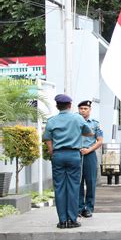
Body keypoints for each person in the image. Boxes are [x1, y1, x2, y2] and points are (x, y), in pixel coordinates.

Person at [43, 94, 93, 229]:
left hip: (58, 155)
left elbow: (48, 139)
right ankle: (72, 219)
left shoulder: (52, 121)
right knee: (73, 187)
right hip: (73, 155)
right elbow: (89, 133)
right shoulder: (78, 118)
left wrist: (53, 153)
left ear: (57, 106)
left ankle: (62, 221)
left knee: (59, 187)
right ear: (70, 106)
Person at [77, 100, 103, 218]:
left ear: (90, 110)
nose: (83, 110)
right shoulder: (74, 122)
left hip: (89, 154)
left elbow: (100, 141)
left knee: (91, 182)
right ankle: (79, 207)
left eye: (85, 108)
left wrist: (89, 150)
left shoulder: (95, 124)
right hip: (76, 154)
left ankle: (89, 208)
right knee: (78, 182)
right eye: (81, 108)